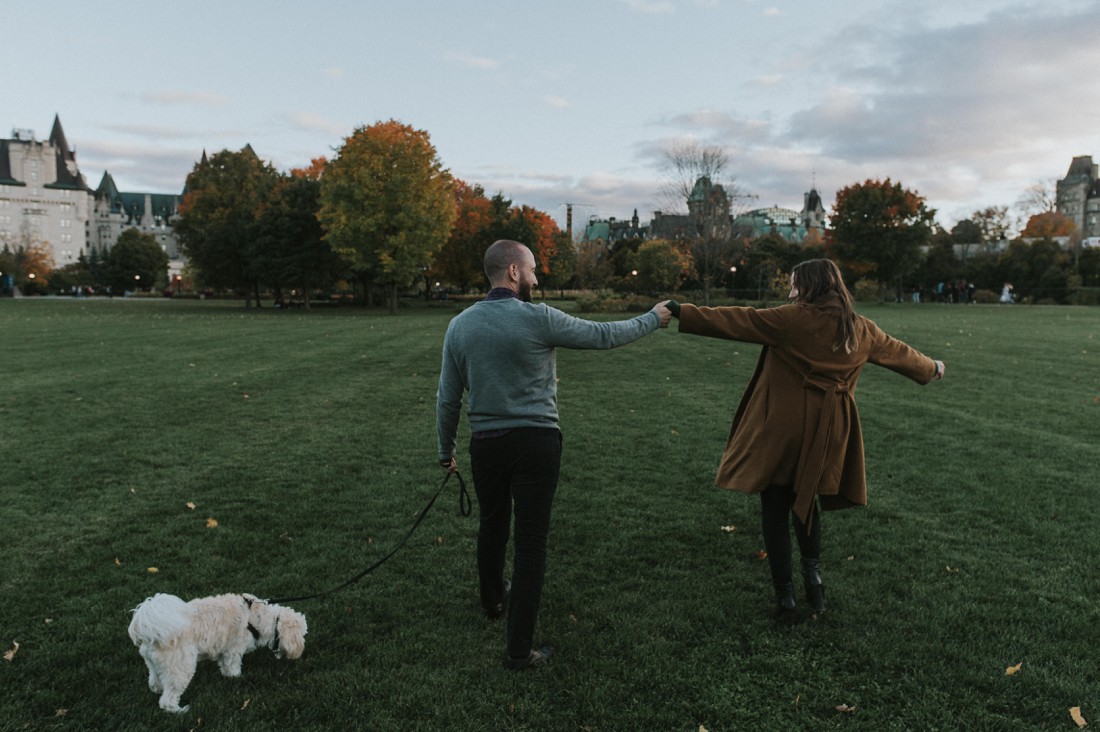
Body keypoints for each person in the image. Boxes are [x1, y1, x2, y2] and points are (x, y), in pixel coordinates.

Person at [436, 240, 672, 669]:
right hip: (535, 443)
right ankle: (518, 651)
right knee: (530, 545)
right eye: (532, 270)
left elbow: (447, 399)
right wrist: (653, 318)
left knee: (492, 524)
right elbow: (603, 336)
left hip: (485, 445)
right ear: (512, 272)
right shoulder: (538, 317)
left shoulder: (460, 326)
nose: (537, 278)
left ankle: (493, 601)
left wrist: (445, 450)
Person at [666, 259, 944, 618]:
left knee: (775, 508)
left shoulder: (791, 319)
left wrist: (680, 311)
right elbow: (900, 353)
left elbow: (737, 320)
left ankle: (785, 598)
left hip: (784, 429)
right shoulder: (860, 328)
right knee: (806, 499)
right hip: (831, 430)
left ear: (810, 287)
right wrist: (933, 367)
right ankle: (813, 580)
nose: (790, 292)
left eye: (795, 285)